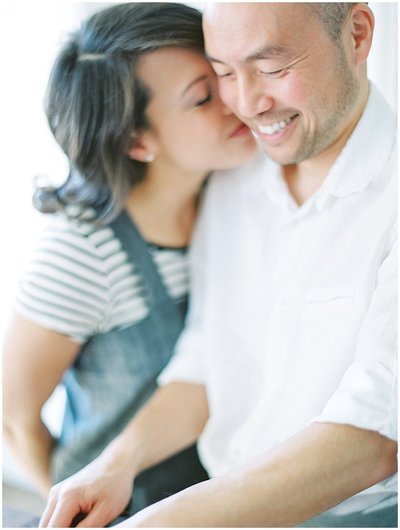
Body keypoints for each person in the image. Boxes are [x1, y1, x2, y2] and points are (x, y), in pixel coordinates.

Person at [38, 2, 397, 528]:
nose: (246, 104)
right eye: (224, 73)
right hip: (208, 497)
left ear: (358, 34)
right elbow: (208, 354)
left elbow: (373, 436)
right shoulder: (235, 174)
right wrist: (116, 464)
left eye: (273, 68)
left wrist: (155, 523)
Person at [2, 1, 256, 522]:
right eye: (204, 97)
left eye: (225, 73)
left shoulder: (232, 193)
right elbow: (13, 417)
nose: (241, 98)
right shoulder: (83, 254)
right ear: (137, 141)